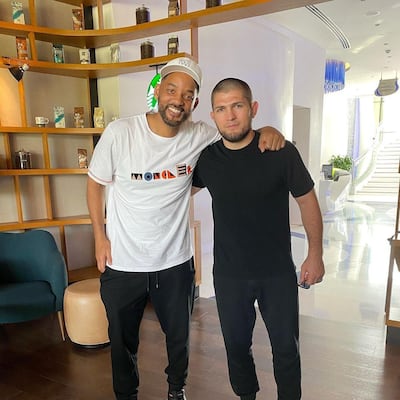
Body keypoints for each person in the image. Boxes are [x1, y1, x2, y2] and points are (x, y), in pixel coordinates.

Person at [86, 58, 285, 400]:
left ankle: (176, 390)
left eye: (188, 94)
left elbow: (235, 133)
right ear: (158, 92)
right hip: (123, 262)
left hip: (174, 262)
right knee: (121, 341)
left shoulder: (200, 135)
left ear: (194, 103)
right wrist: (99, 237)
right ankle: (126, 394)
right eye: (171, 90)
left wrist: (266, 129)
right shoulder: (121, 132)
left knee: (179, 338)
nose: (178, 99)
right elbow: (94, 184)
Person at [192, 78, 325, 400]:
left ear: (252, 109)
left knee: (286, 349)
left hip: (276, 272)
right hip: (229, 274)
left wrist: (315, 254)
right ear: (213, 116)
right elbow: (177, 194)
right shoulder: (207, 159)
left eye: (237, 106)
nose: (231, 115)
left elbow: (307, 199)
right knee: (236, 348)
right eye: (222, 109)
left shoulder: (279, 151)